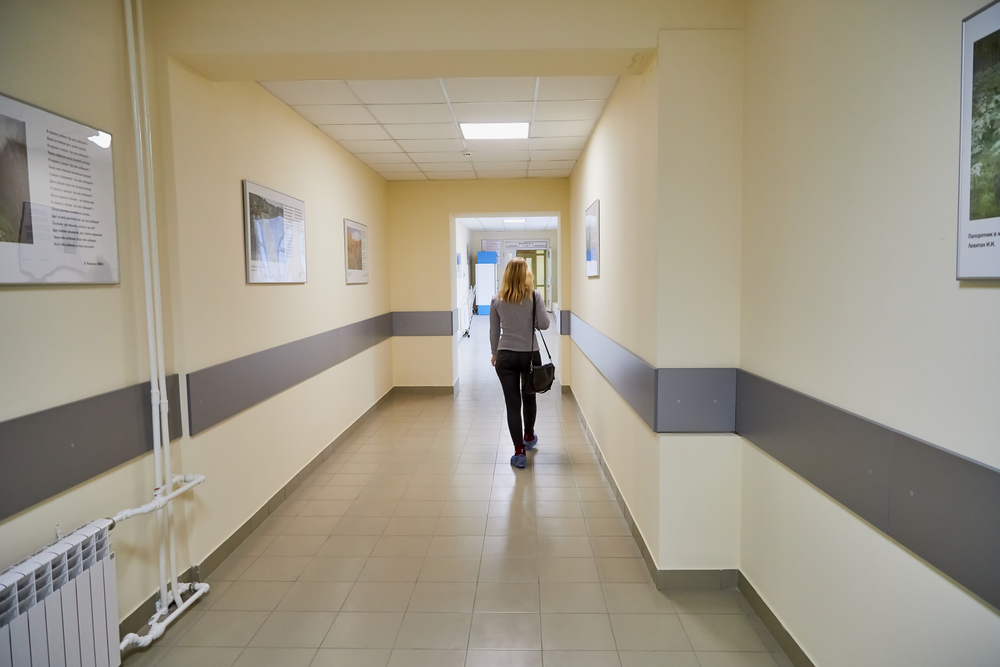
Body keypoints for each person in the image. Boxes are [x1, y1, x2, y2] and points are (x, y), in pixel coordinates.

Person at [490, 257, 550, 468]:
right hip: (530, 355)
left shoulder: (497, 299)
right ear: (527, 274)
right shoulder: (535, 296)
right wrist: (529, 319)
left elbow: (494, 332)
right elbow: (545, 324)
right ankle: (529, 435)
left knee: (512, 404)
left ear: (506, 274)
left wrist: (494, 353)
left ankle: (519, 452)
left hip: (505, 356)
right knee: (529, 396)